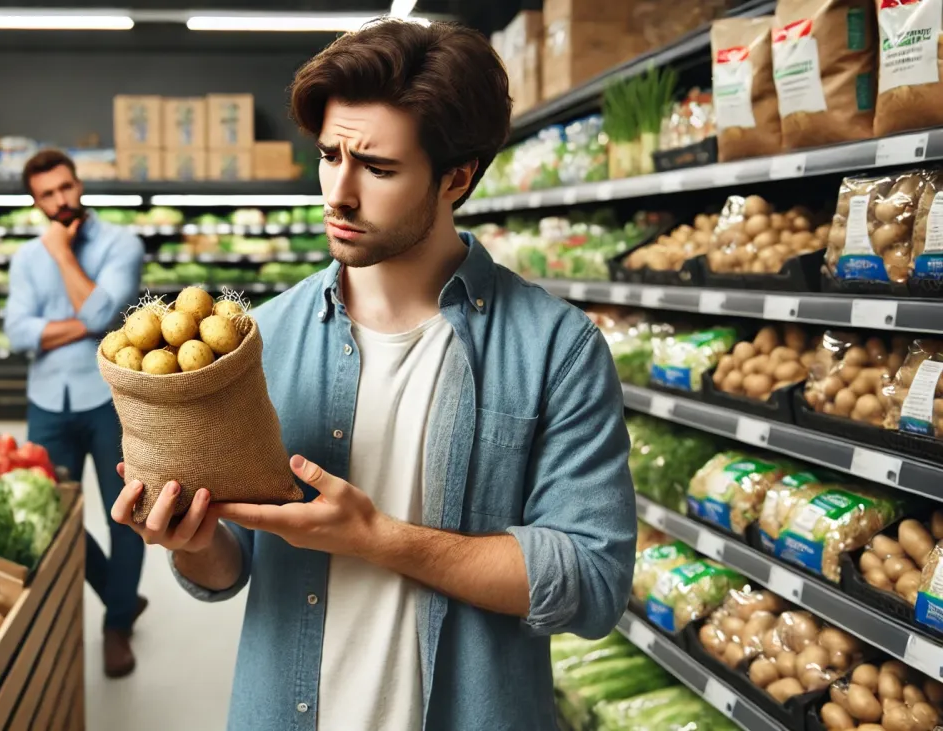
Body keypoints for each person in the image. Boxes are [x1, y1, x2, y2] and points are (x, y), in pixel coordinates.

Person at [112, 18, 636, 730]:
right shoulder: (262, 338)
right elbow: (230, 569)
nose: (339, 192)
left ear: (456, 177)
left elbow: (593, 580)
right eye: (330, 156)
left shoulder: (556, 349)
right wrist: (194, 541)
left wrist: (376, 537)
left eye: (378, 169)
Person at [5, 149, 147, 678]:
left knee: (126, 514)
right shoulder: (25, 258)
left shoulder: (121, 244)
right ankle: (120, 594)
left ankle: (116, 626)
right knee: (49, 512)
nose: (60, 201)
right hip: (47, 401)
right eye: (47, 195)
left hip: (110, 399)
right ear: (36, 202)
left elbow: (104, 313)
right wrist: (86, 326)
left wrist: (64, 256)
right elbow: (17, 332)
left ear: (79, 184)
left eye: (66, 187)